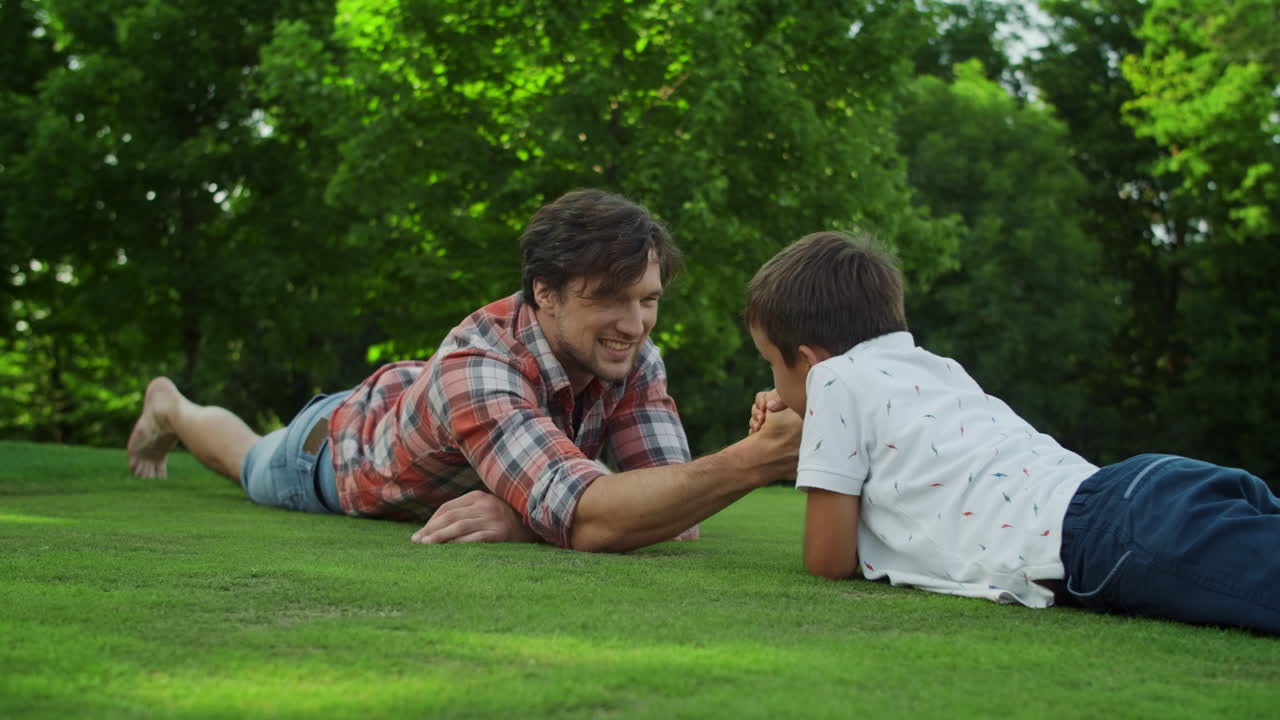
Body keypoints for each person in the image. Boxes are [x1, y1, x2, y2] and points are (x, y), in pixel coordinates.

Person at [129, 189, 801, 552]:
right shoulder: (478, 368)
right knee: (248, 459)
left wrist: (524, 515)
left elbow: (674, 512)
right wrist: (758, 458)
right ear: (545, 293)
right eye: (608, 298)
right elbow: (593, 517)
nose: (634, 324)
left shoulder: (633, 354)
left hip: (414, 400)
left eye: (647, 300)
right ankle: (173, 407)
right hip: (331, 451)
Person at [744, 230, 1279, 634]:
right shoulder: (940, 369)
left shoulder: (832, 380)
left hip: (1105, 537)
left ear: (808, 360)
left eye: (770, 362)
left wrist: (815, 433)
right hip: (1140, 491)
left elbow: (828, 561)